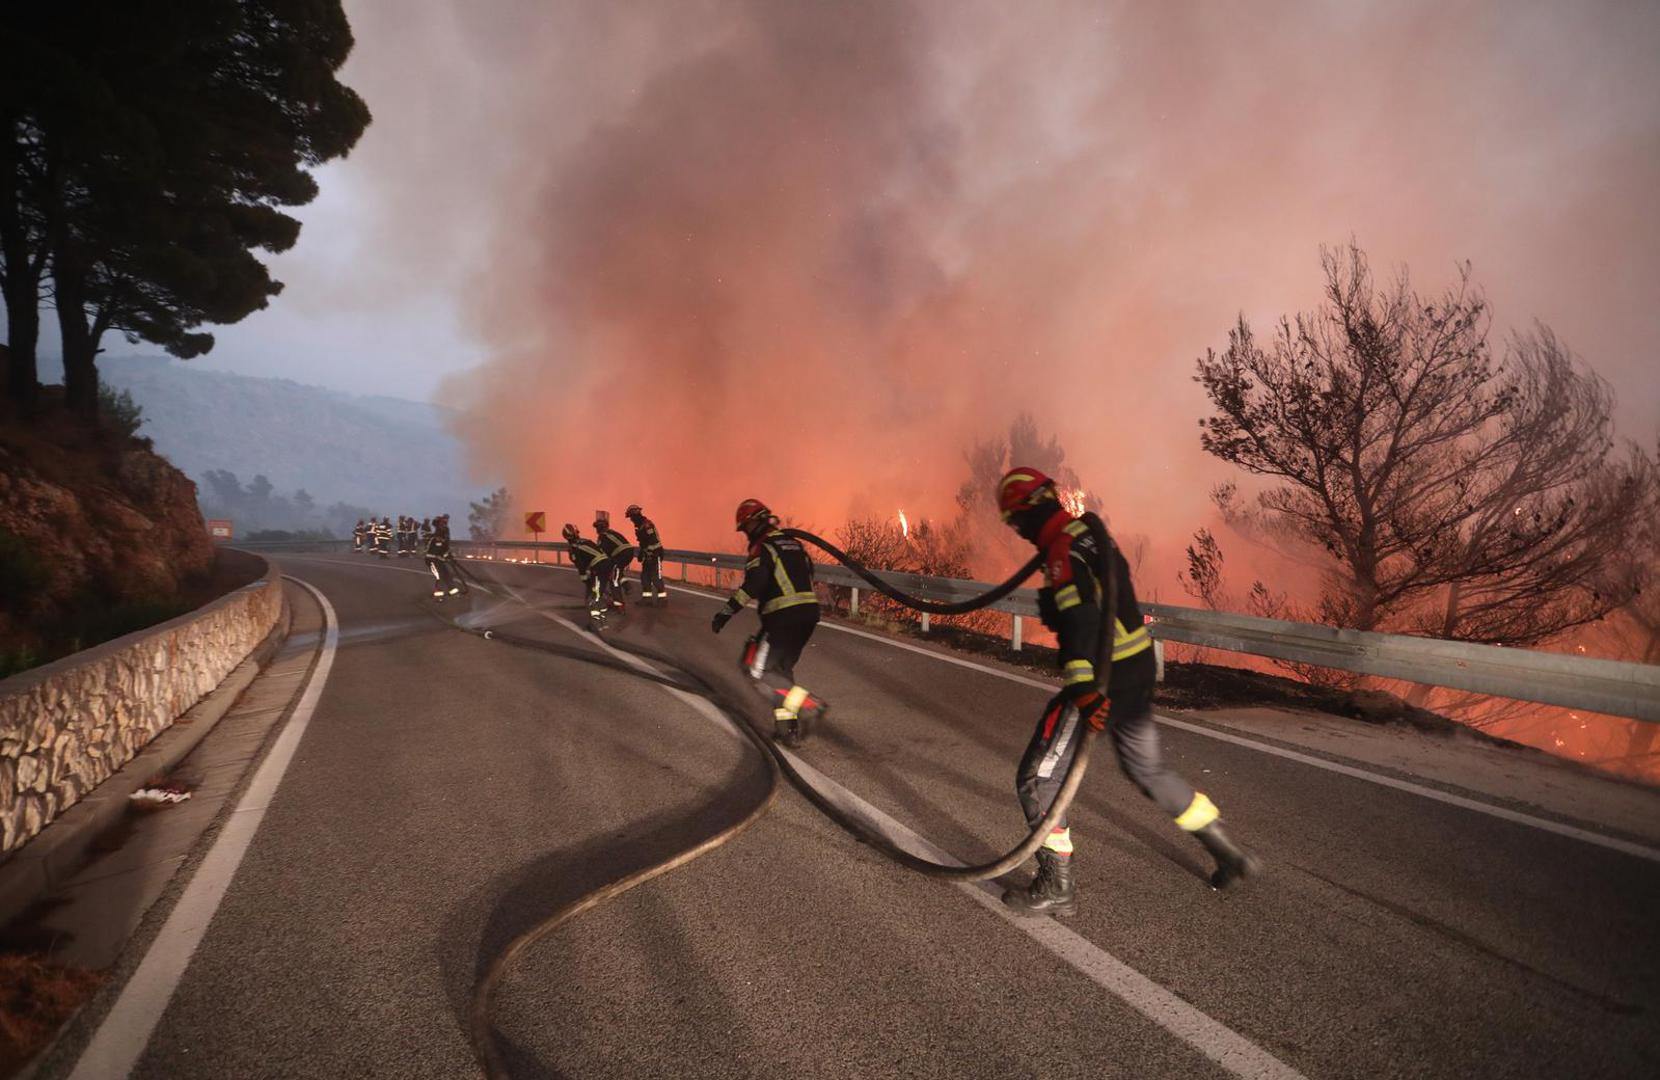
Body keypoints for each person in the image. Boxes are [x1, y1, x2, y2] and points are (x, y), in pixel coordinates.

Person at [994, 467, 1259, 918]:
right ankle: (1229, 852)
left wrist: (1083, 688)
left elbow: (1082, 622)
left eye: (1016, 523)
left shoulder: (1062, 550)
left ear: (1027, 514)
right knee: (1149, 771)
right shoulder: (1090, 534)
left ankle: (1056, 885)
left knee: (1037, 777)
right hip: (1135, 669)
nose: (1019, 533)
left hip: (1102, 679)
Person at [709, 499, 826, 746]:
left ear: (756, 521)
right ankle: (788, 730)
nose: (746, 534)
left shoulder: (762, 548)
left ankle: (811, 704)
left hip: (782, 616)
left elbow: (754, 584)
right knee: (780, 672)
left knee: (756, 669)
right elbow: (809, 572)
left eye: (746, 527)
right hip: (808, 615)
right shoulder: (793, 544)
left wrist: (726, 612)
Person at [562, 523, 612, 627]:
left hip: (598, 567)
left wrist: (584, 578)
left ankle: (595, 623)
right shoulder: (586, 541)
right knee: (598, 590)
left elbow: (580, 565)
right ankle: (607, 601)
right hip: (607, 564)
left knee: (591, 595)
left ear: (566, 537)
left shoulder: (573, 548)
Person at [593, 510, 637, 610]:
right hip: (628, 553)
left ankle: (619, 604)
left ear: (599, 528)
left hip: (620, 555)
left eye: (597, 527)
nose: (596, 530)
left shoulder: (602, 536)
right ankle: (626, 585)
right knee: (617, 572)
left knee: (613, 578)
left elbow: (600, 553)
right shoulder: (612, 533)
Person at [625, 504, 668, 603]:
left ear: (635, 515)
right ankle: (647, 599)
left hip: (655, 553)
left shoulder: (647, 525)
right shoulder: (639, 526)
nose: (631, 519)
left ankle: (662, 599)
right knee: (645, 576)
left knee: (656, 576)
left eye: (631, 517)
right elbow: (643, 542)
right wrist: (642, 553)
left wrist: (650, 553)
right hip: (647, 554)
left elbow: (652, 541)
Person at [425, 514, 462, 599]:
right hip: (432, 560)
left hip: (439, 560)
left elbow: (445, 549)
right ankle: (438, 595)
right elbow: (439, 550)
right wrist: (447, 557)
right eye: (442, 524)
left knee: (447, 575)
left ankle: (453, 592)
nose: (445, 526)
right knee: (440, 576)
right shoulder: (437, 538)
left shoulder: (443, 537)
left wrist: (450, 557)